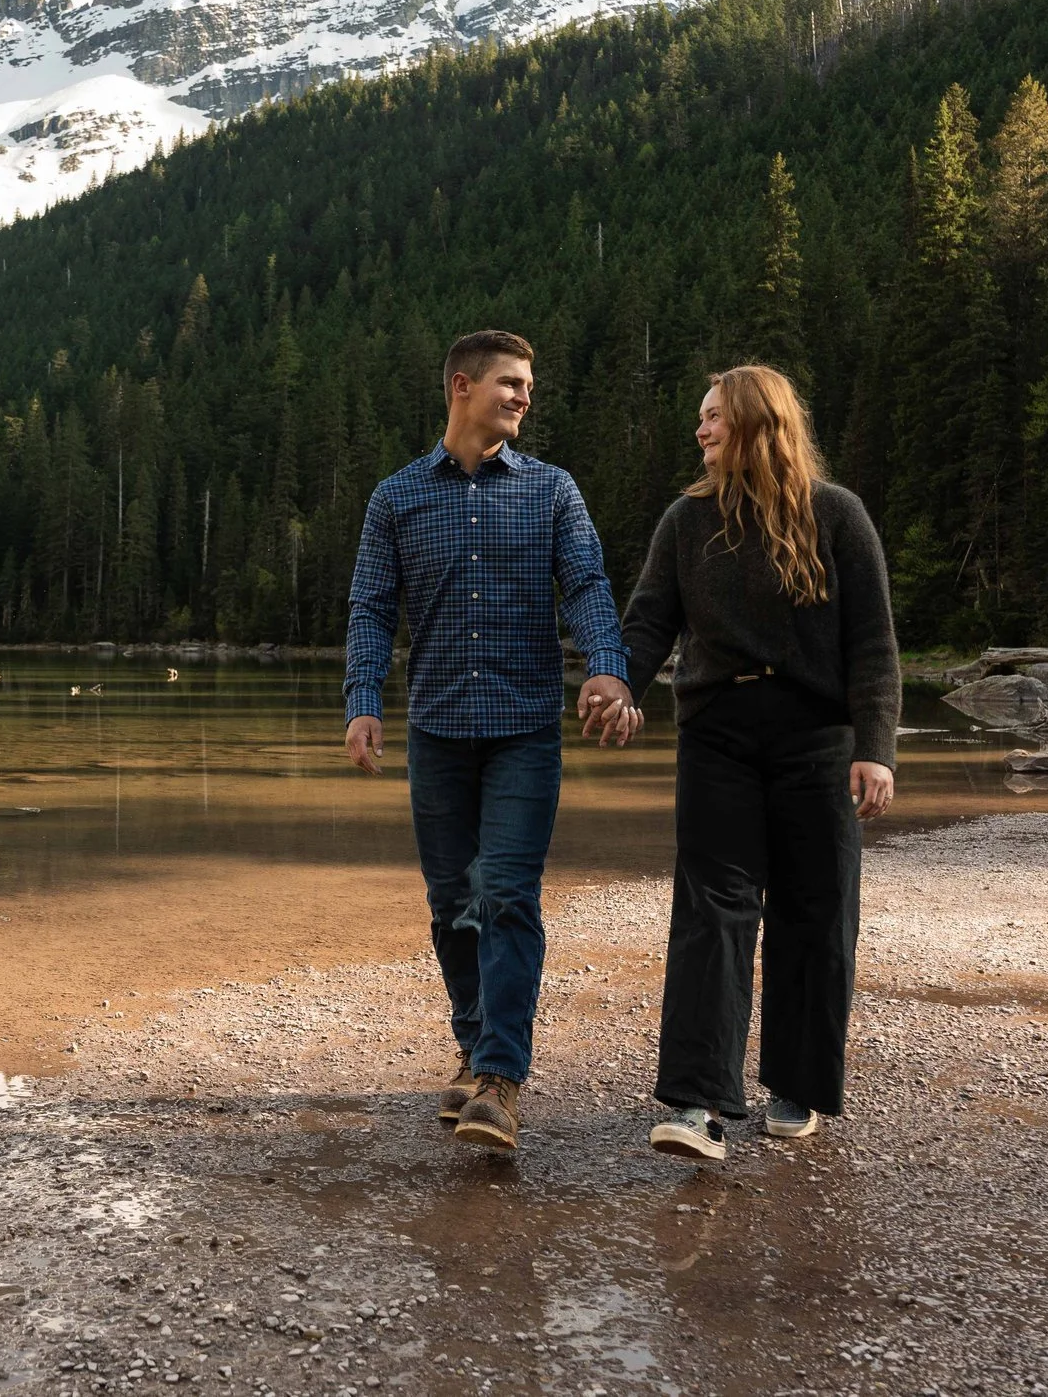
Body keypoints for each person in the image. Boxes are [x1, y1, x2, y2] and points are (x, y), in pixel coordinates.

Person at [343, 329, 638, 1154]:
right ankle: (475, 1046)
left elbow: (586, 584)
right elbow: (370, 609)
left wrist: (608, 670)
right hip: (437, 730)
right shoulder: (395, 498)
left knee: (508, 893)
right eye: (510, 383)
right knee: (452, 904)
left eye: (529, 386)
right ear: (462, 387)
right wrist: (363, 701)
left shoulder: (552, 491)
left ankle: (502, 1079)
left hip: (523, 732)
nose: (524, 397)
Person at [616, 364, 899, 1162]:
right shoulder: (686, 520)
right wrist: (619, 682)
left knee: (816, 910)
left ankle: (797, 1086)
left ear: (754, 422)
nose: (700, 430)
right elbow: (646, 625)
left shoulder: (837, 516)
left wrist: (876, 750)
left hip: (817, 740)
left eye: (713, 417)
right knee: (713, 909)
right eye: (700, 418)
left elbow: (873, 647)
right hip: (718, 737)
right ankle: (697, 1103)